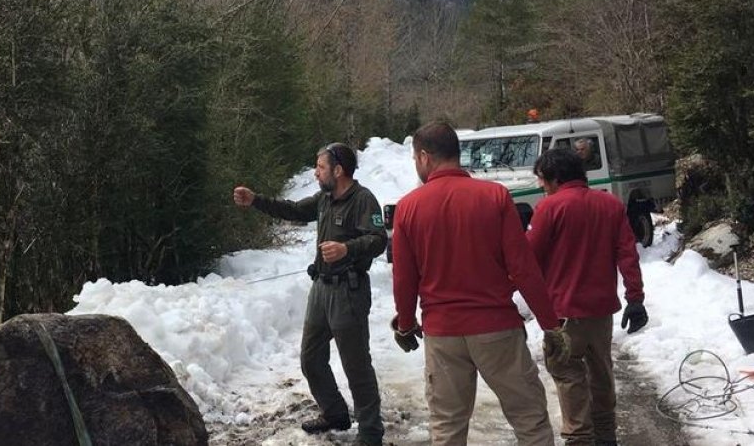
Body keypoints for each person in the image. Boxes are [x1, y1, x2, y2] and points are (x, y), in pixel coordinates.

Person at [390, 122, 569, 446]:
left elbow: (404, 278)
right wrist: (550, 324)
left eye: (415, 158)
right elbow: (524, 268)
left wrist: (405, 325)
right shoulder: (494, 196)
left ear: (426, 157)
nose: (416, 165)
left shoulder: (408, 207)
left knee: (446, 428)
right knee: (530, 420)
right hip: (497, 329)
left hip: (443, 334)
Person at [233, 143, 387, 446]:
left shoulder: (363, 200)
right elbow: (293, 210)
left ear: (338, 170)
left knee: (356, 365)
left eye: (320, 167)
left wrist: (347, 248)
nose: (316, 173)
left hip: (349, 292)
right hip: (321, 290)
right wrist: (255, 201)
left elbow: (379, 240)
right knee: (311, 358)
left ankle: (371, 433)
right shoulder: (324, 199)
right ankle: (335, 413)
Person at [527, 148, 648, 446]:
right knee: (601, 374)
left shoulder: (549, 208)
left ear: (555, 178)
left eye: (542, 180)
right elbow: (627, 253)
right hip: (601, 312)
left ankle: (579, 439)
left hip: (563, 315)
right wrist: (635, 298)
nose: (541, 186)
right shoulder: (610, 205)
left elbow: (529, 258)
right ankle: (606, 437)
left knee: (568, 376)